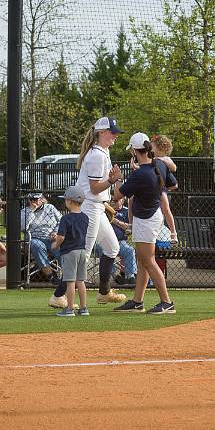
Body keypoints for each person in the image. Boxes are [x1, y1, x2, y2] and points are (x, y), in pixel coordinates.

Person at [48, 117, 128, 309]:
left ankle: (103, 292)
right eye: (112, 132)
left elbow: (97, 189)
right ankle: (58, 296)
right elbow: (93, 189)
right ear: (101, 133)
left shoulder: (102, 151)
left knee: (112, 248)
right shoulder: (96, 155)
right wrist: (112, 181)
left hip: (97, 207)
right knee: (82, 256)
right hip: (89, 208)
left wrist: (110, 195)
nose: (116, 135)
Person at [110, 132, 178, 314]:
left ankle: (167, 302)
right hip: (151, 216)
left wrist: (118, 178)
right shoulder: (158, 165)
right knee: (143, 261)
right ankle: (137, 301)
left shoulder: (142, 173)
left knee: (148, 261)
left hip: (146, 220)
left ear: (134, 151)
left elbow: (117, 196)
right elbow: (173, 184)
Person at [51, 187, 90, 317]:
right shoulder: (85, 217)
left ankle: (69, 309)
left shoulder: (65, 219)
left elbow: (61, 237)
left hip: (69, 252)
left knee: (70, 281)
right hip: (82, 250)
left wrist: (55, 244)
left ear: (70, 201)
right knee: (81, 281)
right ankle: (84, 308)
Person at [20, 192, 61, 284]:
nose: (34, 202)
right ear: (28, 200)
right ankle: (50, 275)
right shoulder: (25, 211)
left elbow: (61, 221)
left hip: (51, 238)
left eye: (36, 199)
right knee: (36, 244)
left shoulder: (50, 208)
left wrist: (56, 232)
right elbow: (23, 227)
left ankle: (67, 276)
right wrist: (31, 211)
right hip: (35, 238)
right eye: (32, 200)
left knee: (61, 246)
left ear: (41, 199)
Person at [109, 196, 137, 285]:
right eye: (111, 200)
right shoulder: (104, 210)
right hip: (104, 241)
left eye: (116, 200)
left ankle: (130, 277)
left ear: (122, 200)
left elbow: (130, 226)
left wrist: (114, 220)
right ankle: (115, 276)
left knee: (129, 250)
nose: (113, 202)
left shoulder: (127, 212)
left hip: (120, 241)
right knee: (106, 251)